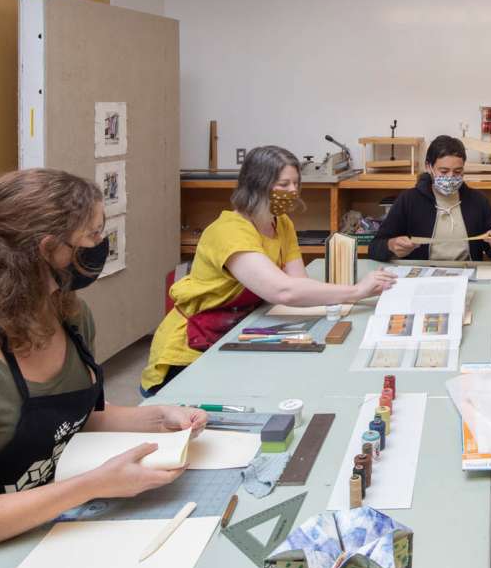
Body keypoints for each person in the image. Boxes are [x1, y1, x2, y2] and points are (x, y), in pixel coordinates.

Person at [0, 169, 207, 568]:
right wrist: (92, 485)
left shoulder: (68, 317)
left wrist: (156, 418)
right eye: (92, 236)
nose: (102, 247)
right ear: (49, 250)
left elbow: (68, 421)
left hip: (33, 539)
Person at [141, 145, 393, 394]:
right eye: (284, 185)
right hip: (190, 348)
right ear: (256, 185)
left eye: (296, 183)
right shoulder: (229, 231)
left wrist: (346, 295)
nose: (293, 191)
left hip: (236, 330)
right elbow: (283, 291)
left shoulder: (281, 223)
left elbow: (299, 283)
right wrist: (357, 291)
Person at [370, 135, 491, 263]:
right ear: (429, 167)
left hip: (467, 275)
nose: (450, 177)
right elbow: (375, 247)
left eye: (458, 171)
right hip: (423, 278)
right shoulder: (409, 200)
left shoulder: (478, 201)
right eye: (444, 171)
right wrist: (391, 246)